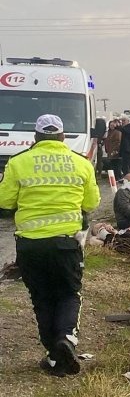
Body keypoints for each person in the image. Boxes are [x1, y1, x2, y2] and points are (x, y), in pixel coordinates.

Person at [0, 114, 100, 376]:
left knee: (42, 298)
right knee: (68, 294)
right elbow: (91, 203)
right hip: (65, 244)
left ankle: (54, 359)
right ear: (62, 137)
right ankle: (66, 339)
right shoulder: (81, 163)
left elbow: (5, 202)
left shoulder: (18, 162)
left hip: (30, 246)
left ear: (36, 137)